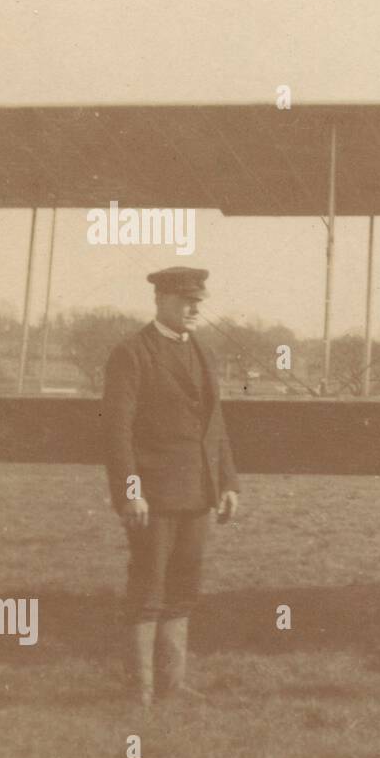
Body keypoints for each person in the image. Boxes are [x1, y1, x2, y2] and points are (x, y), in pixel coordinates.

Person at [103, 267, 240, 708]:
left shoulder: (202, 351)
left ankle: (172, 684)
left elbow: (215, 425)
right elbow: (116, 432)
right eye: (186, 300)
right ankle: (139, 692)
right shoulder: (132, 353)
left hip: (198, 494)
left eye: (199, 300)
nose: (195, 307)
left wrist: (228, 482)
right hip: (153, 498)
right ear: (160, 300)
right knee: (148, 589)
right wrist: (129, 492)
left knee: (184, 588)